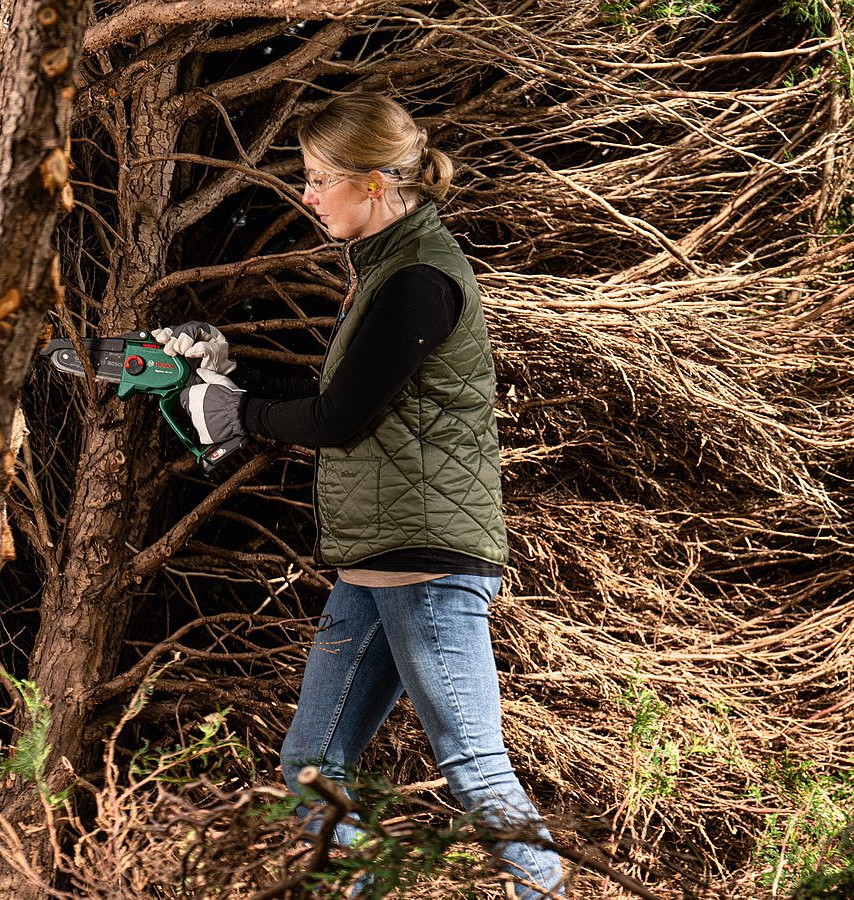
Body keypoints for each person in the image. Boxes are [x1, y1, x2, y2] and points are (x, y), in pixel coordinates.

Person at [155, 92, 564, 899]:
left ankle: (544, 891)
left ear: (375, 183)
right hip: (376, 563)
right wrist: (222, 374)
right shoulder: (385, 272)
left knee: (474, 762)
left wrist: (237, 411)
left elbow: (340, 418)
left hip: (426, 564)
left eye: (317, 179)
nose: (306, 196)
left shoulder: (418, 280)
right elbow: (349, 398)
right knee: (313, 764)